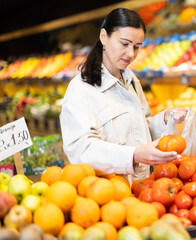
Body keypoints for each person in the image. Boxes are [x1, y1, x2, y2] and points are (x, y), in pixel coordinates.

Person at [60, 8, 188, 181]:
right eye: (124, 44)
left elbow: (140, 127)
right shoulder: (80, 90)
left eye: (137, 47)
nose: (131, 54)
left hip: (143, 188)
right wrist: (133, 155)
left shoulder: (131, 80)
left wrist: (163, 120)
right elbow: (81, 151)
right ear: (104, 37)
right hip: (110, 194)